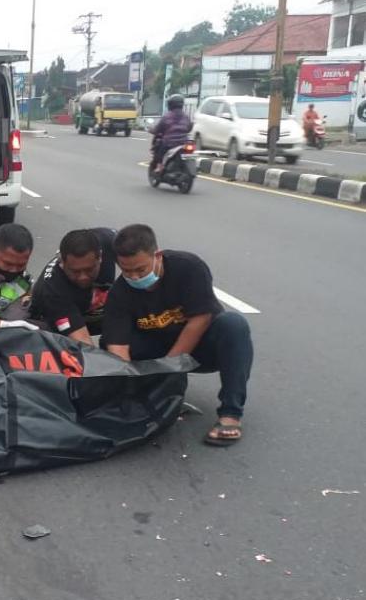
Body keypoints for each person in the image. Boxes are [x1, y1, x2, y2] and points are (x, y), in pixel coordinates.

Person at [102, 224, 253, 446]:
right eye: (126, 271)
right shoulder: (119, 293)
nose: (134, 277)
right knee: (108, 344)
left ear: (158, 256)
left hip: (200, 347)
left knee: (234, 324)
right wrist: (124, 387)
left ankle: (230, 414)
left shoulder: (188, 267)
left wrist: (170, 368)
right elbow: (118, 347)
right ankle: (149, 395)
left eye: (140, 270)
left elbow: (201, 318)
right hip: (156, 348)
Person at [29, 227, 116, 345]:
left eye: (89, 270)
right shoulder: (51, 289)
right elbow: (84, 344)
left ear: (100, 256)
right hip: (53, 320)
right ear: (62, 263)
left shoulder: (107, 240)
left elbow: (144, 254)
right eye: (75, 272)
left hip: (95, 308)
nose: (83, 277)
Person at [151, 94, 192, 173]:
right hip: (184, 142)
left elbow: (158, 129)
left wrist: (152, 130)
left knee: (160, 148)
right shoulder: (186, 116)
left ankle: (160, 166)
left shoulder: (167, 116)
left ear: (170, 105)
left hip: (170, 142)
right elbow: (189, 127)